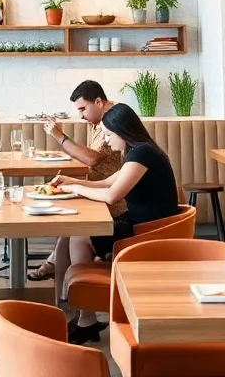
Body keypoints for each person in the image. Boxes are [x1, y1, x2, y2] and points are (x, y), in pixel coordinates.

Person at [50, 103, 179, 345]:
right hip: (144, 223)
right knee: (74, 236)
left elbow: (112, 196)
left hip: (147, 231)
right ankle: (82, 311)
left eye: (109, 135)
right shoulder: (140, 151)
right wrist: (72, 181)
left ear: (122, 130)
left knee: (80, 237)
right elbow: (108, 182)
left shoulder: (142, 154)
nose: (107, 142)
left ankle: (86, 317)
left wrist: (76, 188)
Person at [28, 80, 125, 284]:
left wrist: (59, 136)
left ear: (98, 102)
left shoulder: (112, 120)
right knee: (68, 228)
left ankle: (73, 293)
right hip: (102, 188)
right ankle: (64, 290)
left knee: (72, 229)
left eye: (83, 109)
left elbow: (92, 158)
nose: (81, 116)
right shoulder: (99, 119)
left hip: (114, 201)